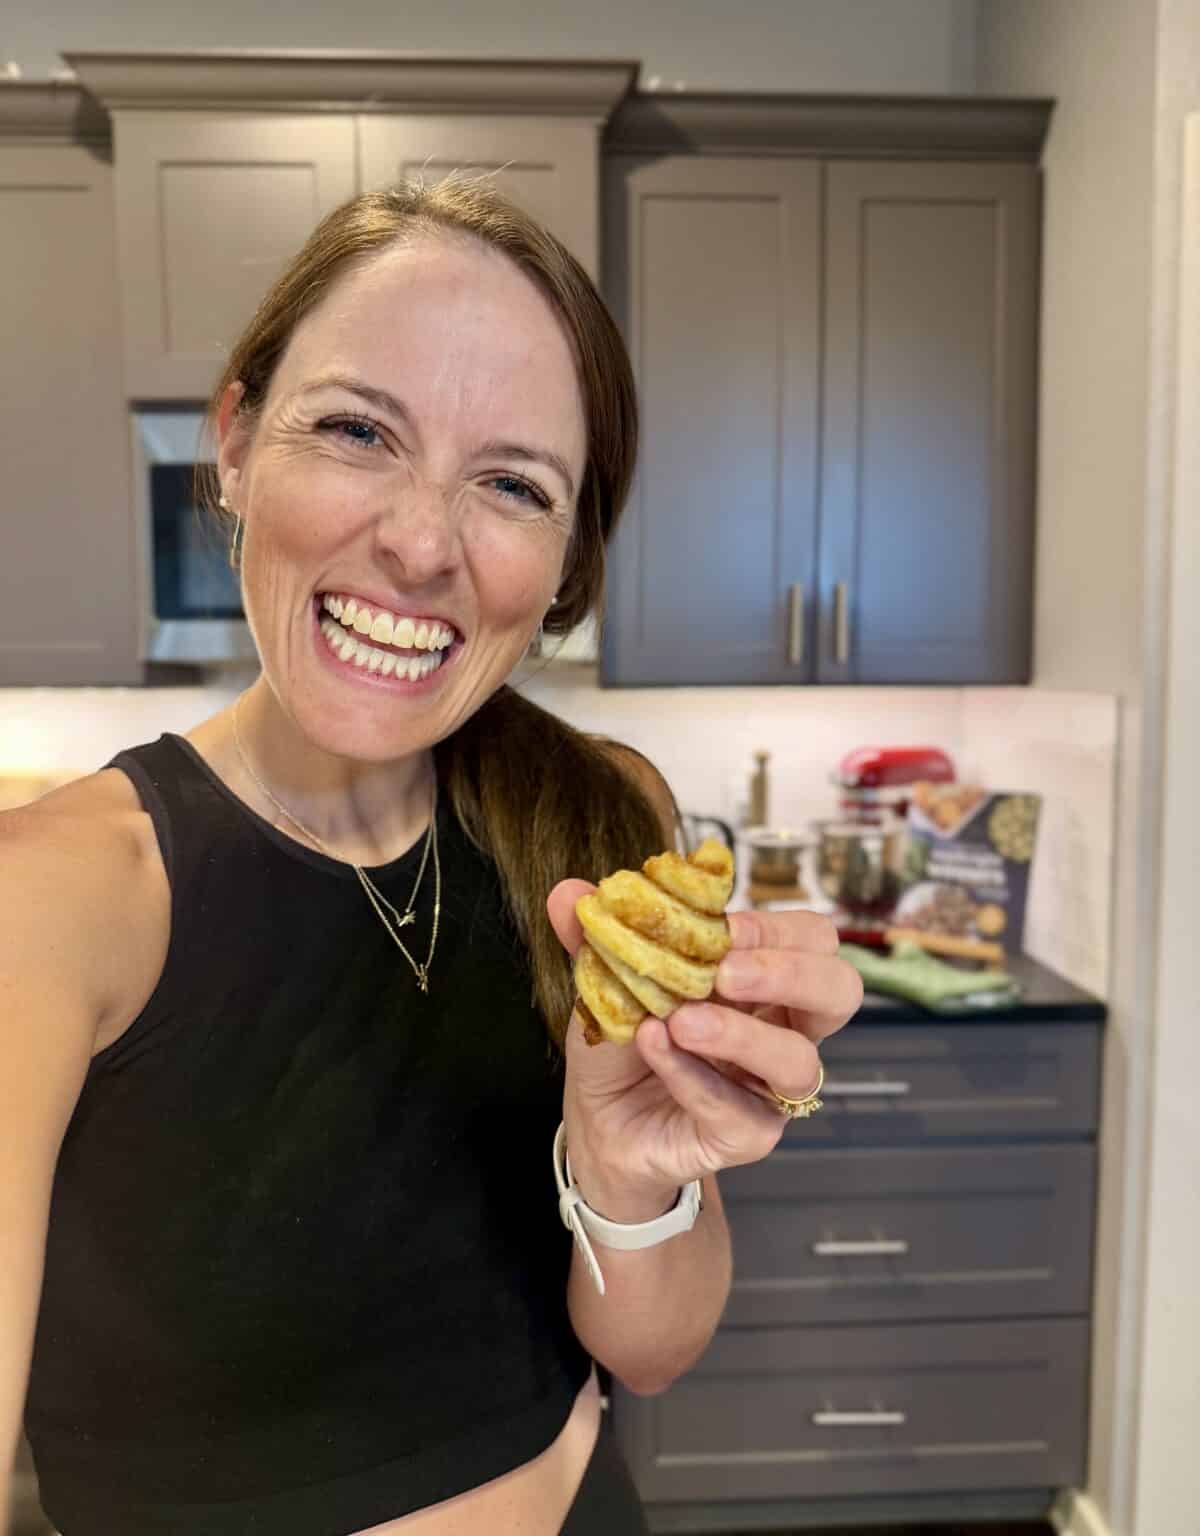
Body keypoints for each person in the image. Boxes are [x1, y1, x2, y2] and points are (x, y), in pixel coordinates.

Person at [0, 178, 864, 1536]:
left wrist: (628, 1177)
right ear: (232, 446)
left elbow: (650, 1348)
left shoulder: (598, 822)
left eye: (513, 485)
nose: (418, 542)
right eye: (355, 430)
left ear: (566, 563)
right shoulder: (51, 900)